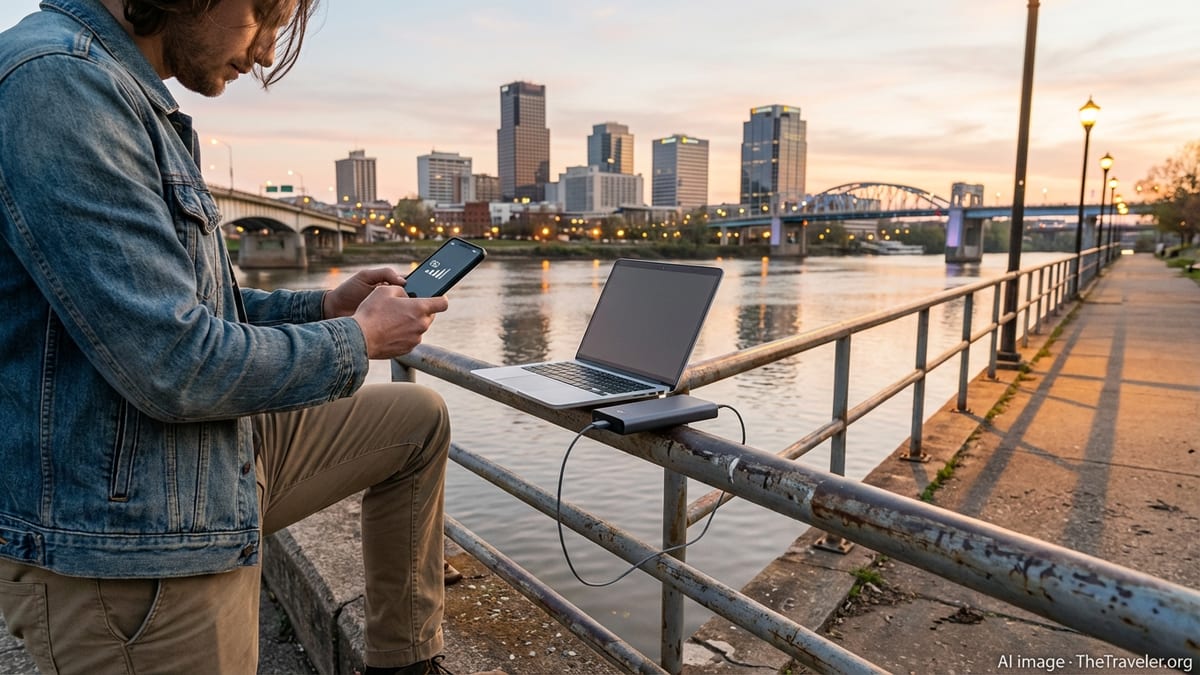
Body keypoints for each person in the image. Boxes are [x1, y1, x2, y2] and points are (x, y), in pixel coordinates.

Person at [0, 1, 487, 673]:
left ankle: (404, 663)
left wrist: (325, 305)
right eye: (267, 19)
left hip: (200, 464)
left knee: (418, 420)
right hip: (135, 538)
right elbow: (174, 364)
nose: (263, 53)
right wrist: (356, 340)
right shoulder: (59, 86)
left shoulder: (122, 94)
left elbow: (197, 309)